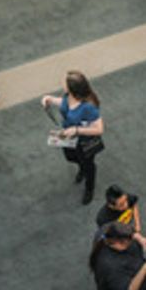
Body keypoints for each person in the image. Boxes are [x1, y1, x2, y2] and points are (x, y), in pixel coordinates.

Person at [41, 71, 105, 205]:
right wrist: (50, 99)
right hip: (68, 136)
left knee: (89, 165)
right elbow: (64, 103)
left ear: (72, 88)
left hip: (84, 141)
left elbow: (99, 129)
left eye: (64, 82)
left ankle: (89, 188)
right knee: (70, 157)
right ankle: (82, 167)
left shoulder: (88, 107)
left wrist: (76, 130)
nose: (61, 82)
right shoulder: (68, 96)